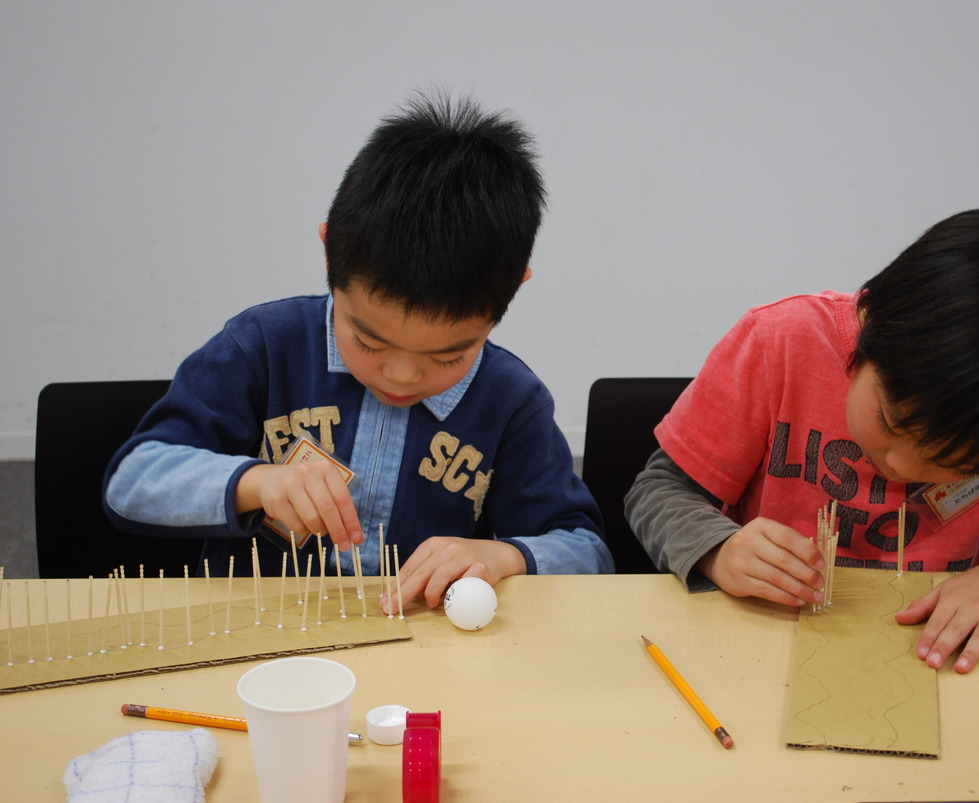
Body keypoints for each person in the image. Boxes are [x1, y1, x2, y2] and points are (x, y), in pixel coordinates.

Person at [626, 208, 979, 674]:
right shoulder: (781, 343)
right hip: (765, 645)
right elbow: (658, 490)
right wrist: (718, 548)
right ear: (870, 321)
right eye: (891, 421)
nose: (898, 464)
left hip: (948, 657)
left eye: (952, 462)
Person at [104, 93, 614, 612]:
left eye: (447, 357)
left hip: (423, 640)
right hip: (256, 630)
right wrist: (256, 483)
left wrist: (505, 556)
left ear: (514, 288)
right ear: (330, 251)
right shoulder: (264, 346)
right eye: (369, 341)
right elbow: (132, 481)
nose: (402, 374)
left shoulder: (511, 399)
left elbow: (588, 551)